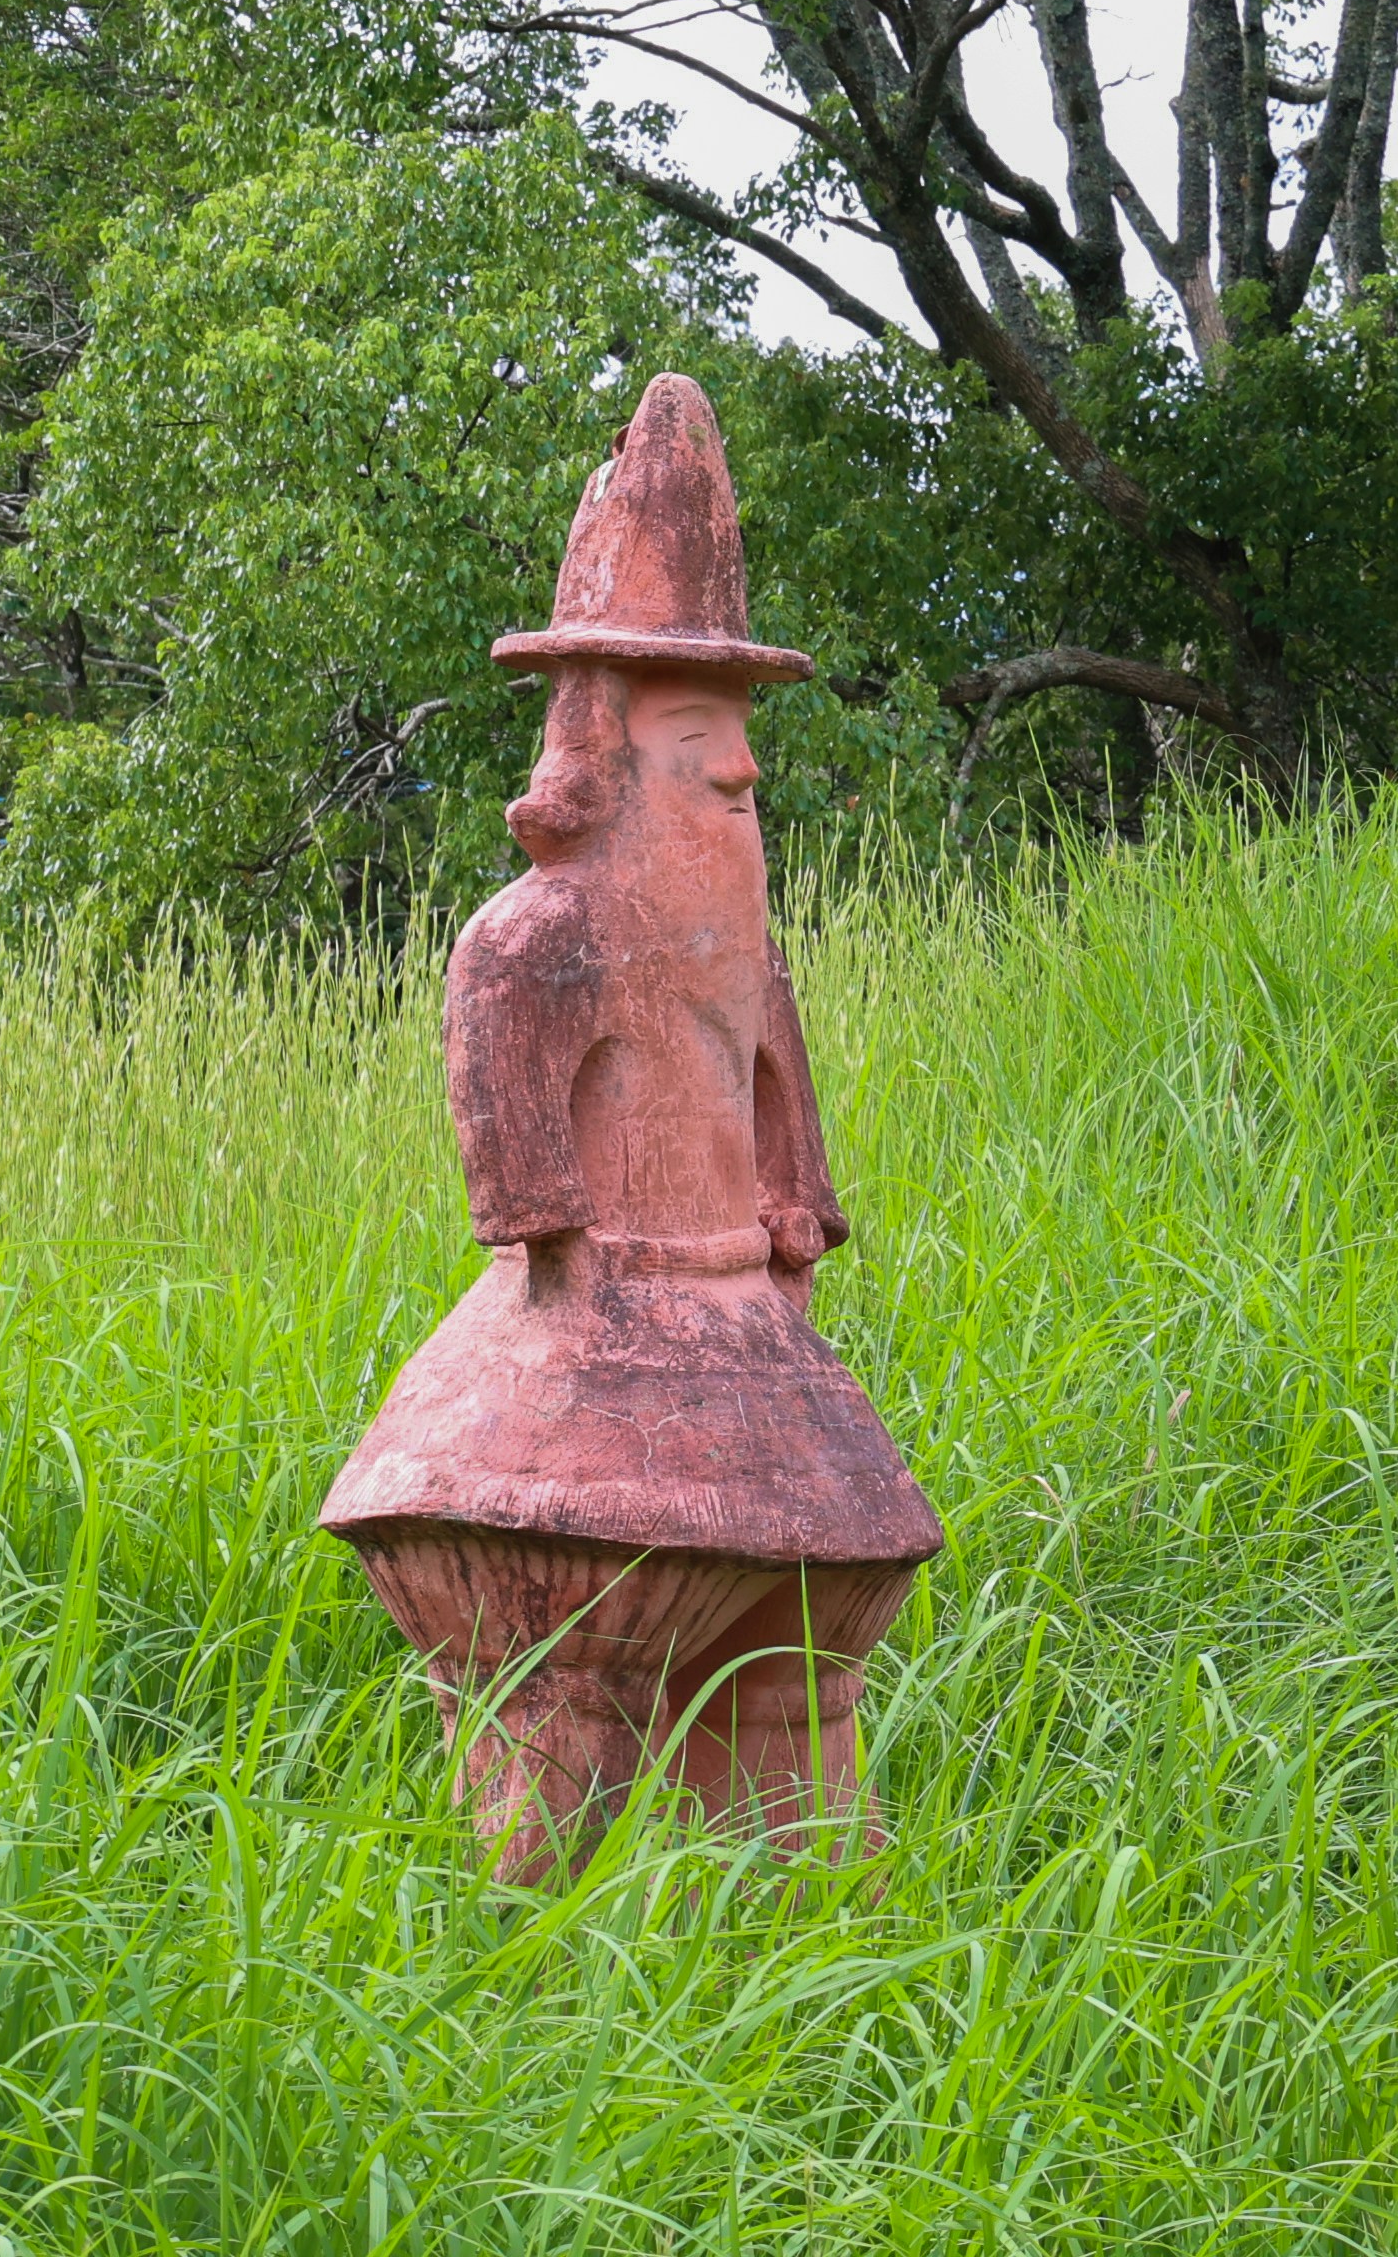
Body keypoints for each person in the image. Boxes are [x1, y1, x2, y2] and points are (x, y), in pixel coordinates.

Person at [322, 372, 941, 1879]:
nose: (736, 765)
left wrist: (789, 1234)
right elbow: (525, 1193)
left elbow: (793, 1157)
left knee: (796, 1699)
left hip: (755, 1361)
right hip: (571, 1379)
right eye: (691, 732)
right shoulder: (532, 941)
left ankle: (810, 1974)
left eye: (738, 732)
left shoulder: (752, 952)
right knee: (562, 1708)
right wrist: (591, 1255)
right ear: (601, 750)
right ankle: (526, 1973)